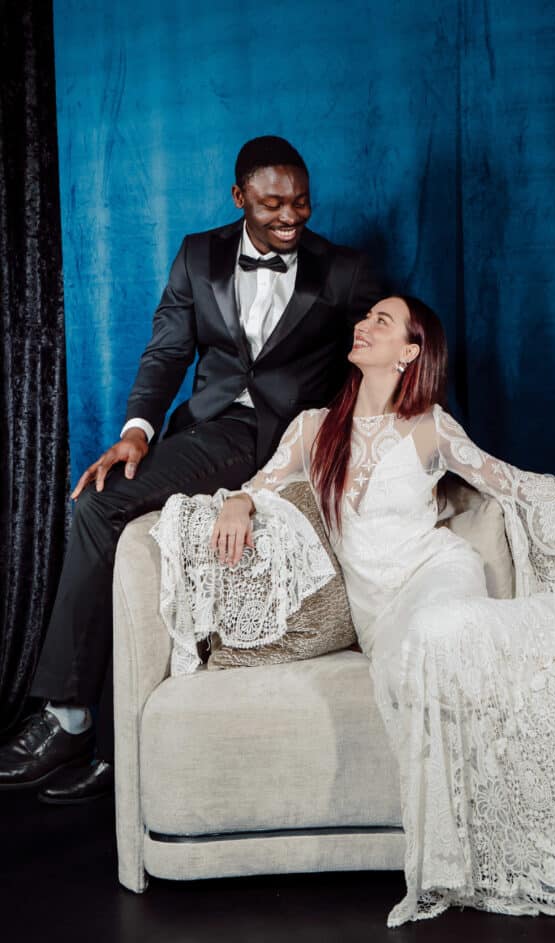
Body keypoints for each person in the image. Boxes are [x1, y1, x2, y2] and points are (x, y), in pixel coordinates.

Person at [152, 294, 555, 927]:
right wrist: (237, 503)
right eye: (366, 318)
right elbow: (257, 485)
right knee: (408, 658)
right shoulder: (312, 429)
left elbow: (514, 485)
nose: (364, 326)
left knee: (439, 633)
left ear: (410, 353)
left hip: (435, 575)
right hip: (379, 615)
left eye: (382, 322)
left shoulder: (428, 428)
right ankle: (457, 845)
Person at [0, 135, 384, 804]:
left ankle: (66, 719)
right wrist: (137, 432)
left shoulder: (345, 271)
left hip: (272, 438)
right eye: (272, 206)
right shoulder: (197, 255)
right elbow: (166, 352)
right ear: (239, 198)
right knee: (110, 504)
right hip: (201, 427)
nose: (291, 219)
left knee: (95, 509)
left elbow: (382, 360)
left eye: (301, 204)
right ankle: (116, 746)